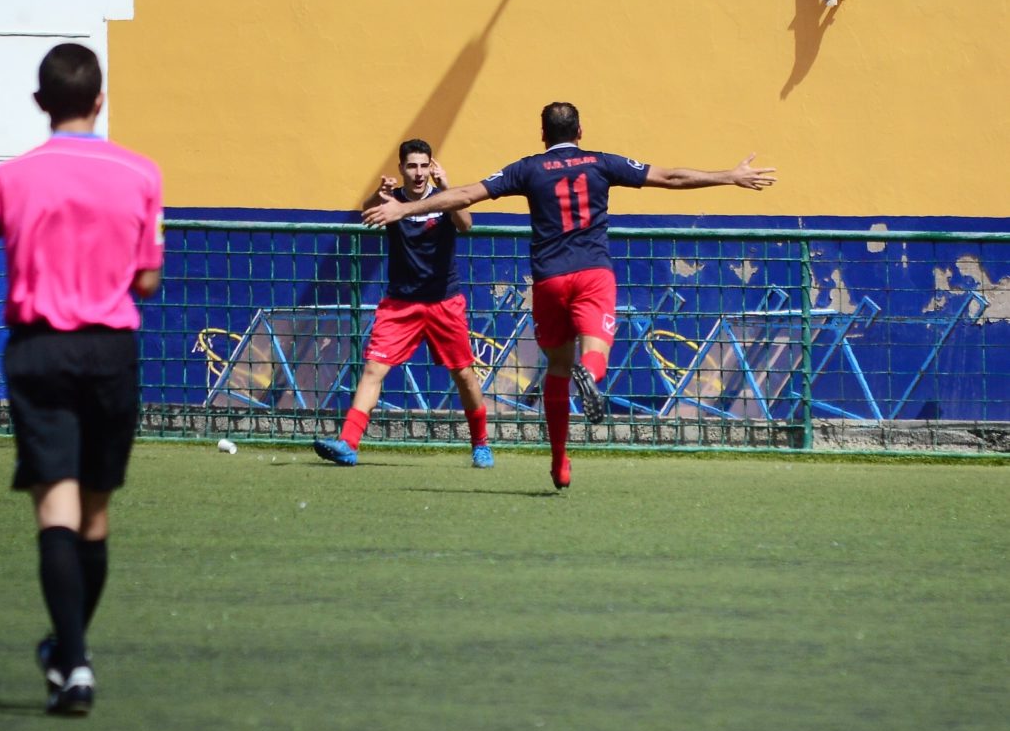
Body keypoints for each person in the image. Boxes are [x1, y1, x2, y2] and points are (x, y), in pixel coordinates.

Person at [363, 102, 775, 489]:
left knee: (558, 367)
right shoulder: (600, 162)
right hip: (592, 273)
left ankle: (560, 460)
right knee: (596, 350)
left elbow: (466, 195)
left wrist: (403, 209)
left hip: (549, 280)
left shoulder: (527, 168)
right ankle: (591, 377)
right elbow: (670, 177)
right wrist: (729, 175)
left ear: (543, 134)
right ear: (580, 131)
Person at [0, 43, 164, 716]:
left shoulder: (11, 177)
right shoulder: (141, 174)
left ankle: (74, 661)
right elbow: (148, 279)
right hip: (111, 351)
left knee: (54, 510)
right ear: (99, 99)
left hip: (40, 351)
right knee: (95, 515)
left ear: (40, 102)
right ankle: (69, 653)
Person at [314, 139, 494, 469]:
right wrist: (378, 194)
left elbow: (466, 225)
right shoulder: (393, 200)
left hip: (444, 302)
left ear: (431, 167)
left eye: (424, 165)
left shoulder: (444, 197)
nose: (418, 172)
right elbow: (367, 213)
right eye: (412, 166)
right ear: (401, 169)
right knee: (373, 370)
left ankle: (481, 444)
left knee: (464, 375)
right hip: (400, 305)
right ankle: (348, 444)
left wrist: (447, 187)